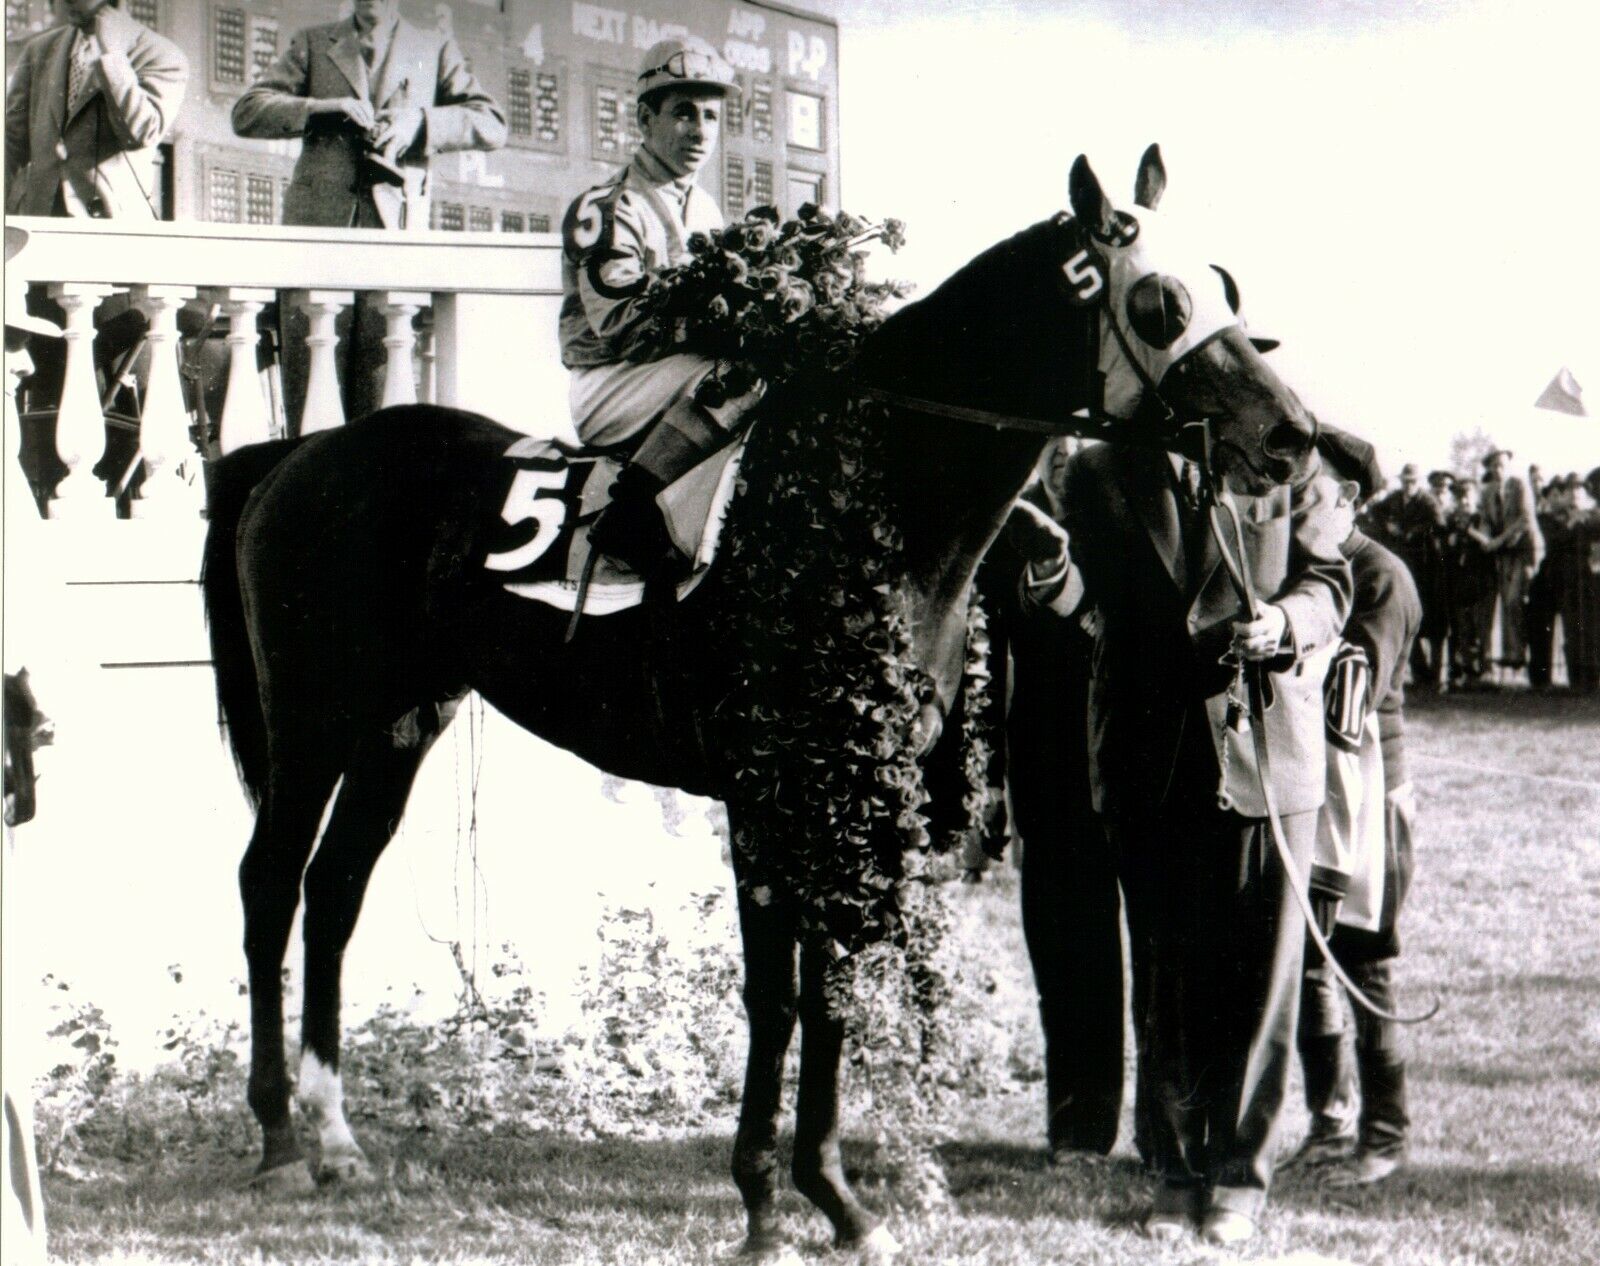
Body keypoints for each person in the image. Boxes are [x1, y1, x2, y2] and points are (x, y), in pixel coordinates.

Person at [1061, 439, 1352, 1247]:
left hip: (1271, 754)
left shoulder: (1289, 462)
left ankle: (1241, 1179)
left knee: (1262, 982)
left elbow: (1330, 583)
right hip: (1149, 763)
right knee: (1167, 979)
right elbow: (1081, 598)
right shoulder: (1096, 473)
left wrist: (1285, 623)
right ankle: (1178, 1173)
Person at [232, 0, 507, 425]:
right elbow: (248, 112)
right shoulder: (313, 42)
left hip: (393, 237)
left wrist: (417, 123)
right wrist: (322, 110)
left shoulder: (432, 47)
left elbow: (491, 123)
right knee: (310, 389)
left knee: (384, 387)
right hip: (316, 237)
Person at [559, 37, 763, 576]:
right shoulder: (605, 206)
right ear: (645, 119)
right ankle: (626, 516)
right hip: (610, 380)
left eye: (711, 116)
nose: (699, 130)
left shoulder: (706, 207)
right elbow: (618, 323)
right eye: (683, 113)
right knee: (737, 378)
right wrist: (721, 321)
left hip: (671, 376)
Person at [1283, 436, 1421, 1188]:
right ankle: (1329, 1122)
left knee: (1365, 964)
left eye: (1310, 492)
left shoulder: (1380, 577)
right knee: (1308, 961)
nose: (1295, 504)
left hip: (1368, 800)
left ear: (1349, 499)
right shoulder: (1299, 572)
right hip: (1311, 791)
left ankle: (1386, 1132)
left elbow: (1350, 701)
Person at [985, 438, 1128, 1164]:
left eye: (1079, 435)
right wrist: (987, 783)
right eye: (1048, 435)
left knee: (1165, 963)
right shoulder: (1009, 522)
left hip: (1139, 762)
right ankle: (1079, 1125)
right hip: (1047, 774)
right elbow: (986, 659)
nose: (1065, 450)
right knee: (1068, 956)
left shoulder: (1130, 512)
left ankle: (1174, 1133)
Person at [5, 0, 189, 503]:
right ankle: (39, 501)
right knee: (40, 379)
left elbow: (143, 128)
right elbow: (11, 143)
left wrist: (111, 55)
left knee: (105, 383)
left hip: (113, 249)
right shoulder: (42, 51)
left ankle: (112, 501)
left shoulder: (161, 54)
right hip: (39, 242)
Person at [1371, 464, 1445, 689]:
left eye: (1412, 482)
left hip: (1425, 569)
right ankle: (1420, 673)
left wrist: (1415, 530)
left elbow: (1439, 524)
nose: (1408, 486)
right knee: (1406, 619)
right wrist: (1388, 525)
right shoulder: (1394, 499)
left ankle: (1435, 675)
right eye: (1405, 481)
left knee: (1430, 621)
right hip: (1403, 565)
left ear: (1418, 482)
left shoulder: (1428, 501)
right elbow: (1376, 511)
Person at [1479, 448, 1543, 681]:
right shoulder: (1487, 491)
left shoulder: (1520, 486)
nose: (1498, 469)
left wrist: (1497, 540)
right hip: (1504, 553)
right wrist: (1486, 538)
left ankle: (1518, 657)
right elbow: (1486, 519)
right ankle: (1510, 658)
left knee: (1516, 599)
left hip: (1526, 550)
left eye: (1502, 465)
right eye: (1494, 465)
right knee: (1506, 601)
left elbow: (1525, 519)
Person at [1446, 476, 1496, 687]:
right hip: (1460, 579)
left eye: (1467, 496)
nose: (1463, 501)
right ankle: (1466, 672)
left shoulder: (1482, 517)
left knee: (1483, 627)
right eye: (1459, 497)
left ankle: (1486, 672)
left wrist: (1468, 530)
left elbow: (1488, 542)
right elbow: (1448, 544)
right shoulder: (1452, 519)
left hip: (1482, 578)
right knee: (1463, 627)